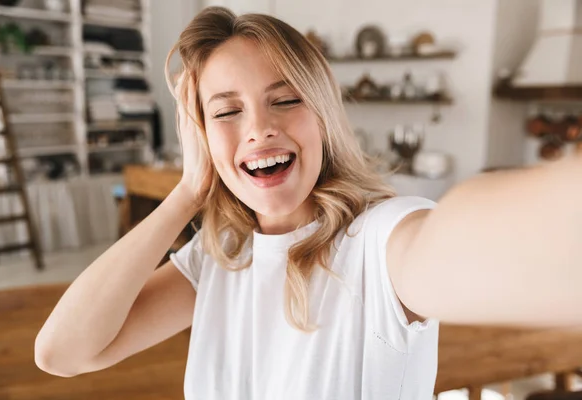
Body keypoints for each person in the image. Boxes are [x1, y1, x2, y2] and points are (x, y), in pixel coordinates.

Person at [34, 6, 582, 400]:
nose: (259, 129)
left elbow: (466, 243)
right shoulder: (219, 256)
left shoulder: (379, 242)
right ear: (199, 135)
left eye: (285, 100)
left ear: (321, 113)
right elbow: (63, 353)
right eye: (226, 112)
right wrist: (187, 192)